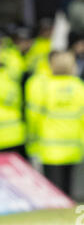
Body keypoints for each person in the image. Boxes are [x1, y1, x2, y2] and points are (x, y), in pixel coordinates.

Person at [25, 51, 84, 195]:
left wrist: (32, 140)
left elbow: (33, 117)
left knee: (53, 192)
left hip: (49, 147)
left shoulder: (44, 87)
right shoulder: (78, 87)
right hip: (73, 146)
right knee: (69, 189)